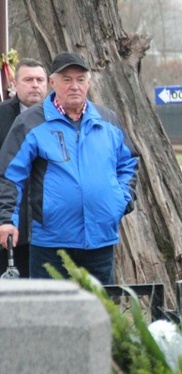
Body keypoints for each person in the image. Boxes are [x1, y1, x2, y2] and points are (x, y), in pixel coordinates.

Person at [0, 52, 138, 284]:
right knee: (52, 315)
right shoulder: (30, 123)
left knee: (100, 312)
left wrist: (120, 200)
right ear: (53, 83)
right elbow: (10, 175)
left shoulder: (108, 120)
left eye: (80, 79)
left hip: (100, 241)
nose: (74, 86)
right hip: (51, 243)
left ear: (88, 83)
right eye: (67, 79)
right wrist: (7, 219)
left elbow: (129, 163)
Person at [0, 58, 47, 277]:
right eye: (28, 80)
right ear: (15, 84)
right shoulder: (2, 116)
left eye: (40, 80)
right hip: (8, 219)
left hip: (46, 221)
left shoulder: (58, 116)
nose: (35, 85)